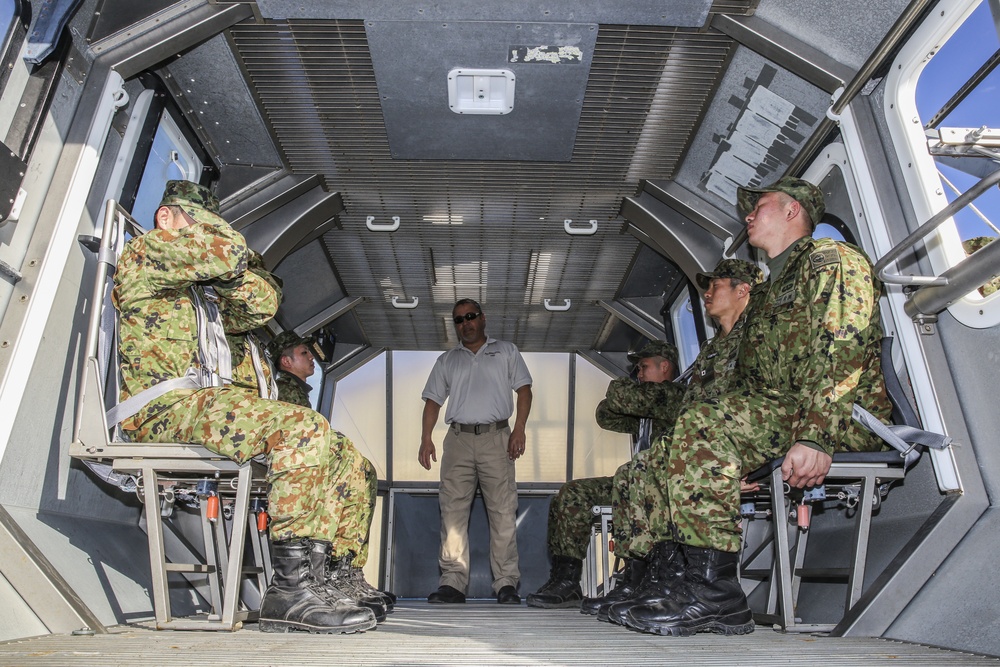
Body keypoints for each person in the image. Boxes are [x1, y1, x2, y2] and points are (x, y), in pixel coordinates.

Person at [613, 177, 891, 637]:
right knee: (667, 451)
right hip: (778, 415)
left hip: (835, 416)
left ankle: (716, 596)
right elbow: (744, 384)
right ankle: (672, 580)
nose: (748, 215)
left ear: (791, 211)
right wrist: (733, 449)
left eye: (758, 205)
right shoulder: (762, 297)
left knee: (703, 425)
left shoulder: (831, 261)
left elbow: (842, 349)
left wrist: (814, 435)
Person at [113, 180, 378, 634]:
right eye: (198, 222)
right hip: (162, 409)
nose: (209, 234)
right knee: (302, 427)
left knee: (337, 452)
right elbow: (228, 253)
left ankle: (317, 578)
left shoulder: (197, 291)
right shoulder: (146, 255)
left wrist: (226, 266)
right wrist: (225, 244)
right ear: (165, 219)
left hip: (199, 406)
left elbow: (261, 304)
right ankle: (289, 593)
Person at [587, 259, 762, 621]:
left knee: (671, 463)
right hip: (708, 443)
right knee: (634, 471)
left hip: (734, 443)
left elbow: (764, 404)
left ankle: (705, 586)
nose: (708, 293)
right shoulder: (712, 351)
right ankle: (652, 579)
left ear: (743, 289)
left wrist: (738, 462)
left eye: (716, 286)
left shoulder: (759, 334)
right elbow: (611, 412)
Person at [526, 341, 685, 609]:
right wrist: (628, 393)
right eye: (637, 370)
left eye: (643, 368)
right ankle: (566, 581)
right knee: (573, 493)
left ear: (665, 366)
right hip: (635, 483)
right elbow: (605, 414)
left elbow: (619, 396)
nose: (639, 374)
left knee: (628, 477)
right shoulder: (646, 405)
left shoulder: (674, 395)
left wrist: (624, 387)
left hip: (664, 485)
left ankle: (635, 577)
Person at [267, 331, 395, 613]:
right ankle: (317, 576)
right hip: (295, 473)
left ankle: (341, 571)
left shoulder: (297, 390)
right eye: (304, 353)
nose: (311, 357)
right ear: (286, 361)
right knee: (345, 467)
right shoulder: (286, 390)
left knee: (361, 469)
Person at [419, 299, 533, 604]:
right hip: (457, 440)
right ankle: (453, 583)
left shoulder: (506, 351)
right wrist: (425, 438)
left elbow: (524, 390)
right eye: (458, 320)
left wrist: (519, 429)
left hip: (497, 438)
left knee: (503, 512)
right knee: (452, 512)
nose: (465, 323)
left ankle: (506, 582)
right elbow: (432, 401)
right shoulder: (447, 360)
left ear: (483, 318)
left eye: (470, 317)